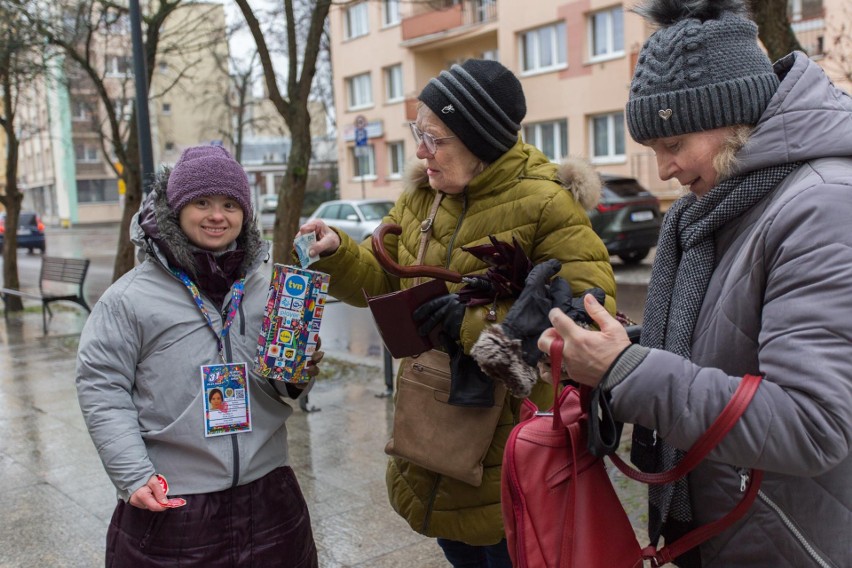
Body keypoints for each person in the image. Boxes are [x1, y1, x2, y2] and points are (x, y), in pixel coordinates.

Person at [537, 1, 852, 566]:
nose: (662, 171)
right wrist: (618, 349)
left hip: (788, 542)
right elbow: (725, 348)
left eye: (673, 145)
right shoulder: (726, 204)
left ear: (732, 115)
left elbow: (813, 424)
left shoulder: (822, 206)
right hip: (727, 528)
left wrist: (626, 371)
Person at [298, 59, 616, 567]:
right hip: (434, 438)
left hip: (510, 452)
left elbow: (586, 323)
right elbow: (385, 281)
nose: (420, 150)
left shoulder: (546, 205)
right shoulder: (423, 198)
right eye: (417, 133)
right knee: (460, 549)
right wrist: (341, 253)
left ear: (481, 142)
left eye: (435, 138)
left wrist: (473, 324)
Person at [76, 145, 321, 567]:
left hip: (269, 499)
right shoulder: (130, 298)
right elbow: (102, 386)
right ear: (176, 209)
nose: (217, 215)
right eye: (202, 202)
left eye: (230, 204)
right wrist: (133, 474)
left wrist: (298, 370)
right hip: (174, 504)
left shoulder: (265, 289)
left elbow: (279, 385)